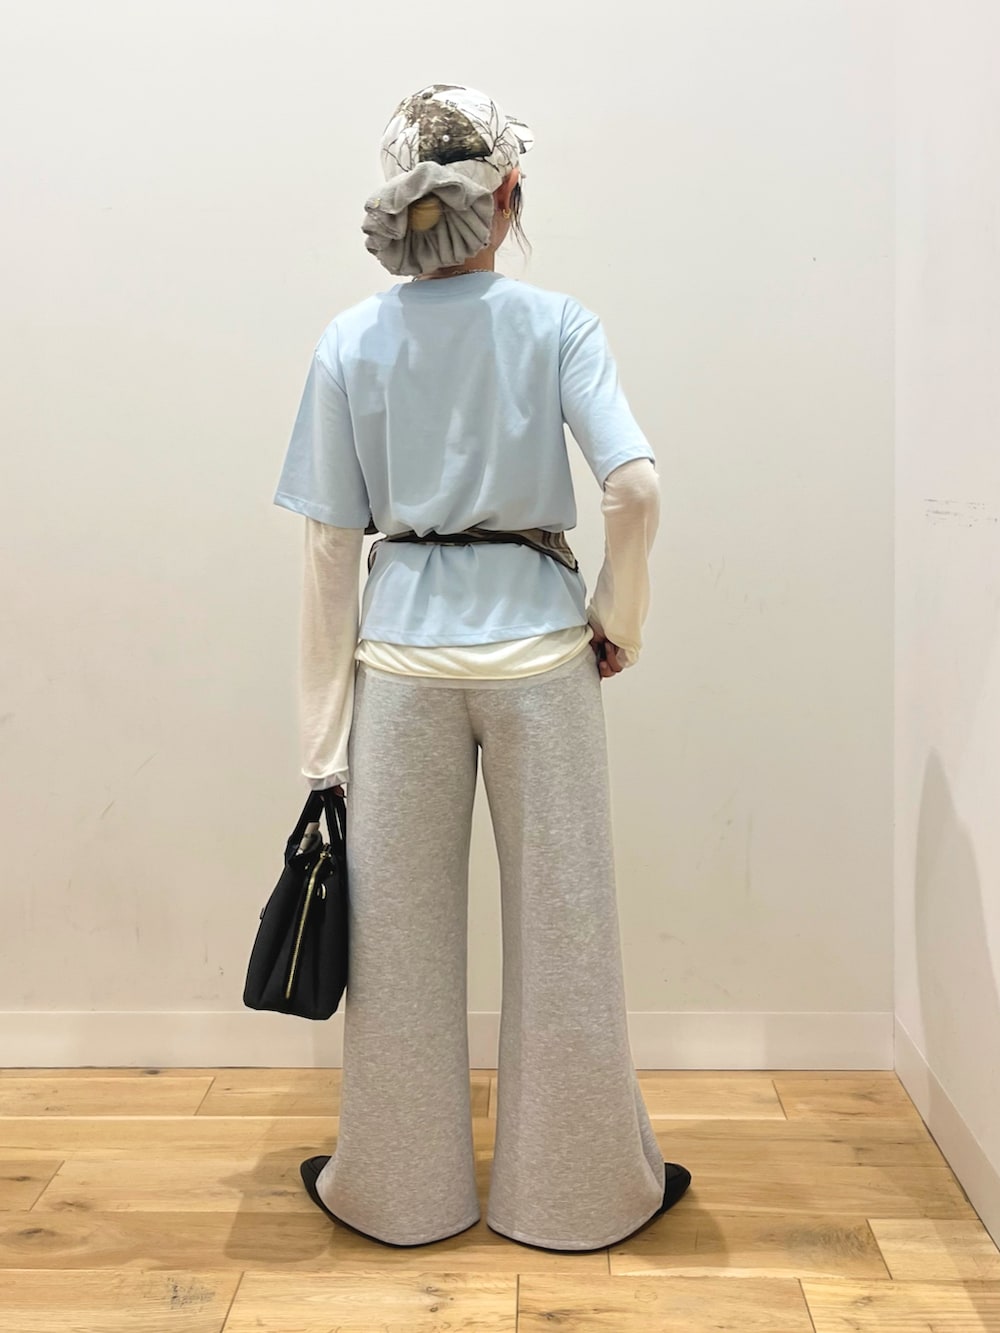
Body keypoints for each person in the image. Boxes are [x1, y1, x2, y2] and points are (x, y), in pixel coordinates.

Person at [272, 82, 692, 1252]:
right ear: (509, 195)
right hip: (540, 656)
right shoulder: (559, 325)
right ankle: (578, 1198)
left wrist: (321, 745)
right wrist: (616, 616)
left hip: (402, 666)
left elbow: (328, 548)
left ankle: (396, 1194)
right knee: (566, 930)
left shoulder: (350, 340)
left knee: (396, 947)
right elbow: (634, 487)